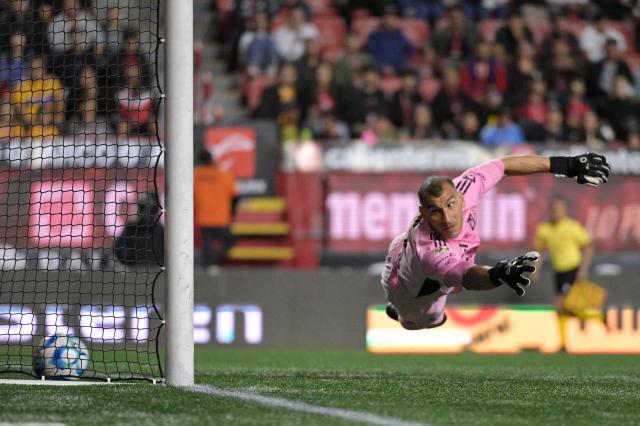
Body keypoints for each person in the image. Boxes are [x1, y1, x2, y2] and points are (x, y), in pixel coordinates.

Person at [381, 153, 610, 330]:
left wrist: (566, 164)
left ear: (460, 197)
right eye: (435, 211)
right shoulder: (430, 250)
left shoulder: (465, 188)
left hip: (405, 250)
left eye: (450, 205)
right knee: (426, 320)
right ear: (422, 212)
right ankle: (400, 311)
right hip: (410, 291)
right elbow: (468, 275)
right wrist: (499, 274)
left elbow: (503, 166)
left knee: (451, 287)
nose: (447, 218)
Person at [534, 195, 596, 349]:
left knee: (563, 305)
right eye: (554, 209)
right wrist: (536, 269)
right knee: (563, 308)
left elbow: (588, 247)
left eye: (559, 209)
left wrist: (583, 269)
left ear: (565, 210)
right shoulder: (545, 229)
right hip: (558, 271)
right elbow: (539, 251)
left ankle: (563, 343)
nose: (556, 212)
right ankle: (598, 317)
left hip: (572, 269)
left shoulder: (572, 227)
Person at [194, 151, 238, 274]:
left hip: (203, 217)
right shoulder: (224, 174)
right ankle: (212, 260)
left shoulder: (195, 175)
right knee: (230, 242)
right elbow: (235, 197)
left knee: (207, 244)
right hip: (222, 217)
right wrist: (232, 213)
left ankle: (209, 263)